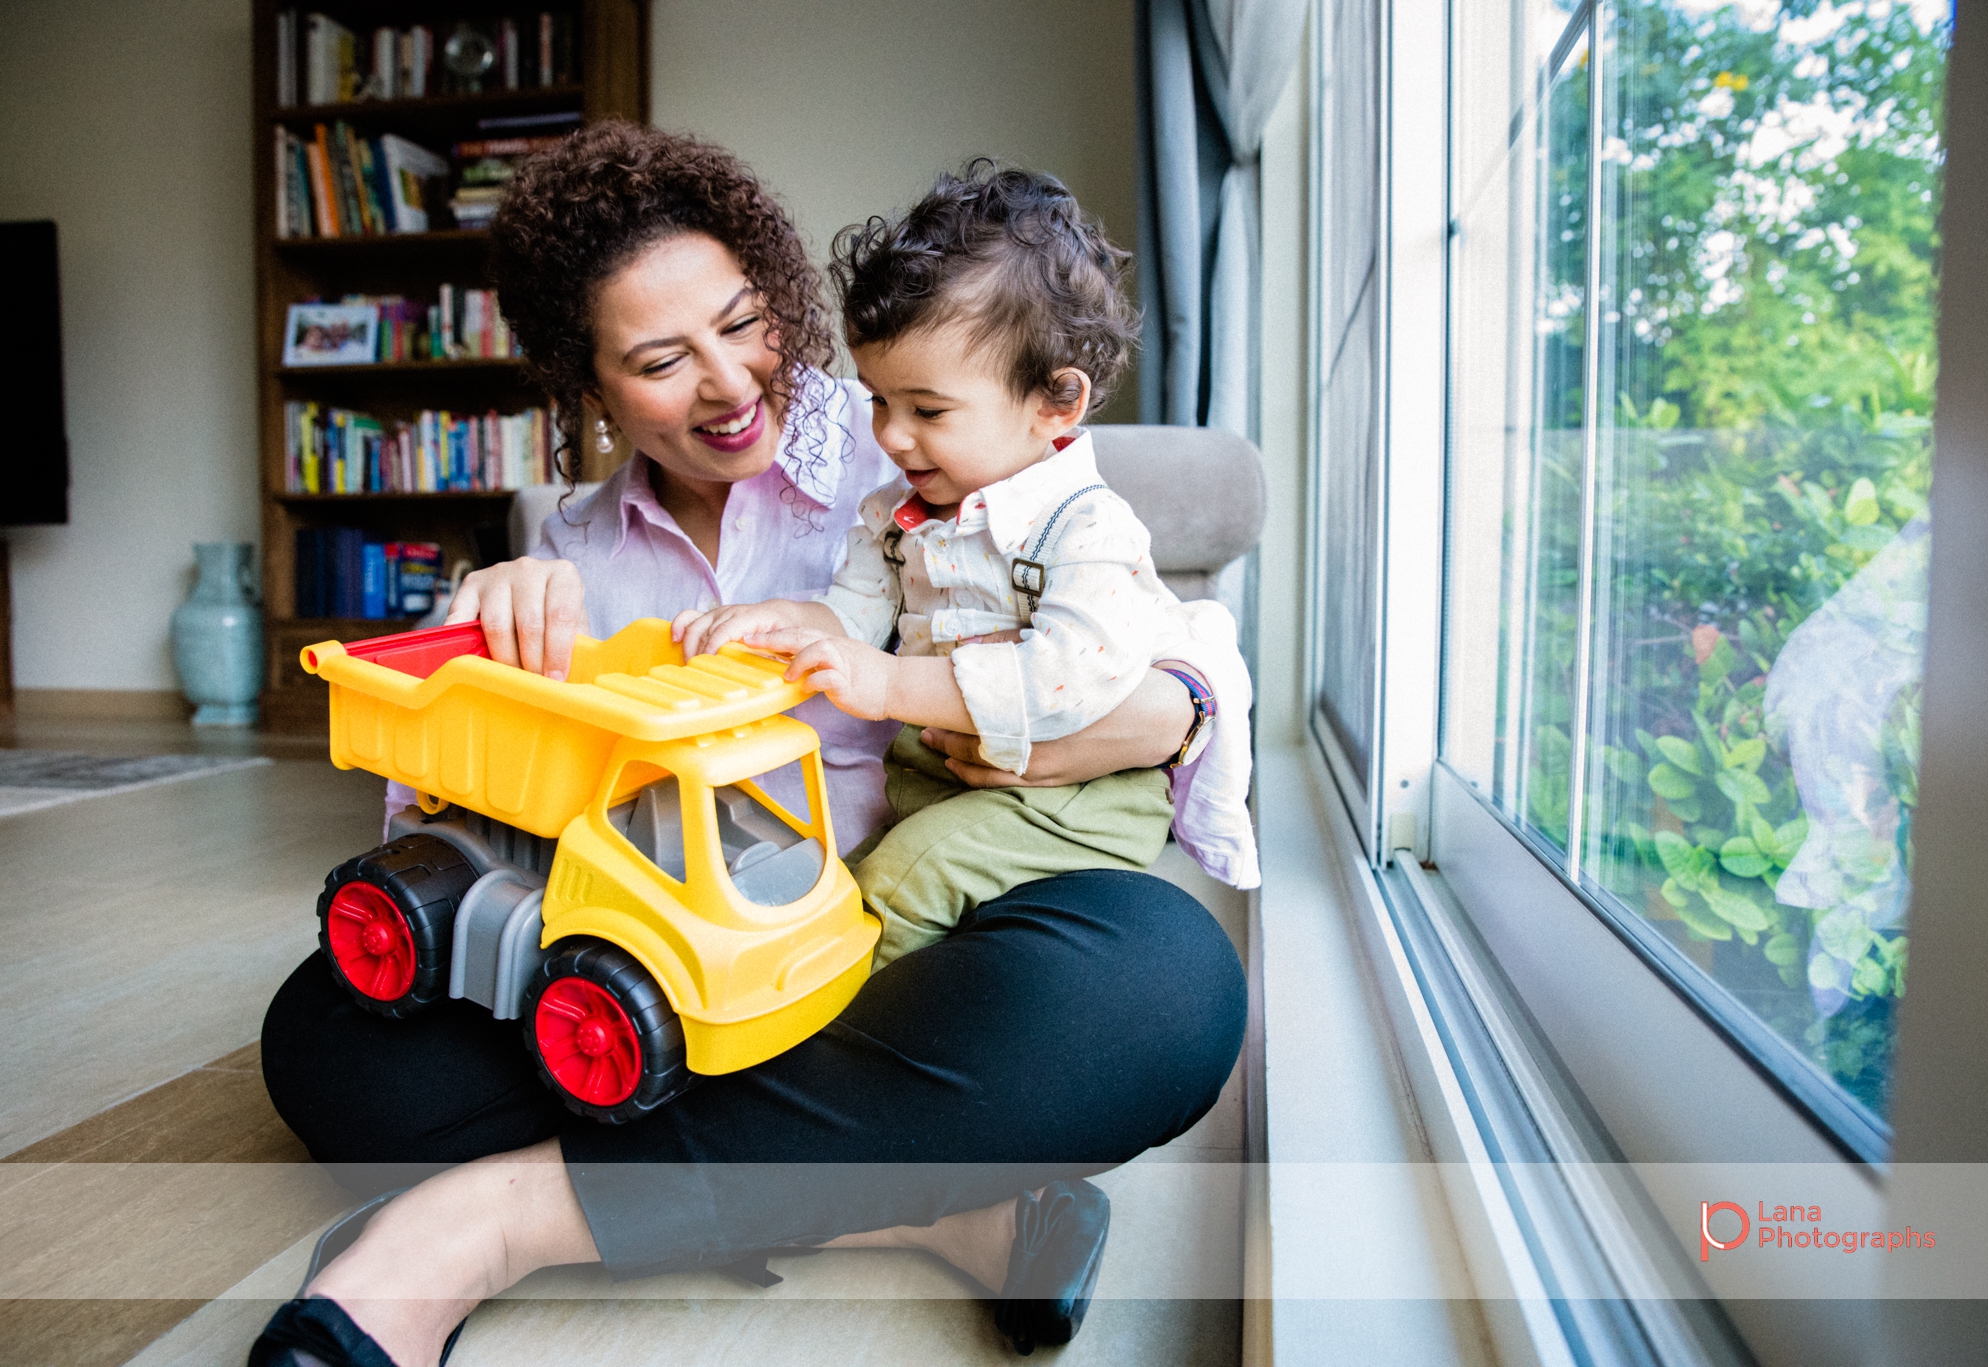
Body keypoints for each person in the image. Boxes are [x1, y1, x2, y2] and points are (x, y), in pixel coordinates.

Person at [252, 122, 1247, 1367]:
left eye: (743, 322)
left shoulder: (917, 435)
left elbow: (1159, 625)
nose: (726, 383)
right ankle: (932, 1204)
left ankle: (483, 1225)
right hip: (663, 988)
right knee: (328, 1043)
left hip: (899, 960)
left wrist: (1177, 706)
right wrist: (465, 666)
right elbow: (441, 846)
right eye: (662, 359)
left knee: (1160, 990)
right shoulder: (564, 557)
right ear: (586, 379)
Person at [677, 163, 1258, 968]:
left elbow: (1059, 682)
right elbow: (852, 615)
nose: (893, 435)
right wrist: (786, 622)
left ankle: (825, 1030)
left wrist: (884, 686)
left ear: (1055, 404)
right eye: (879, 400)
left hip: (1073, 801)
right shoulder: (896, 511)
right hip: (946, 781)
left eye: (928, 410)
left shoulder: (1086, 529)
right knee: (846, 880)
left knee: (900, 882)